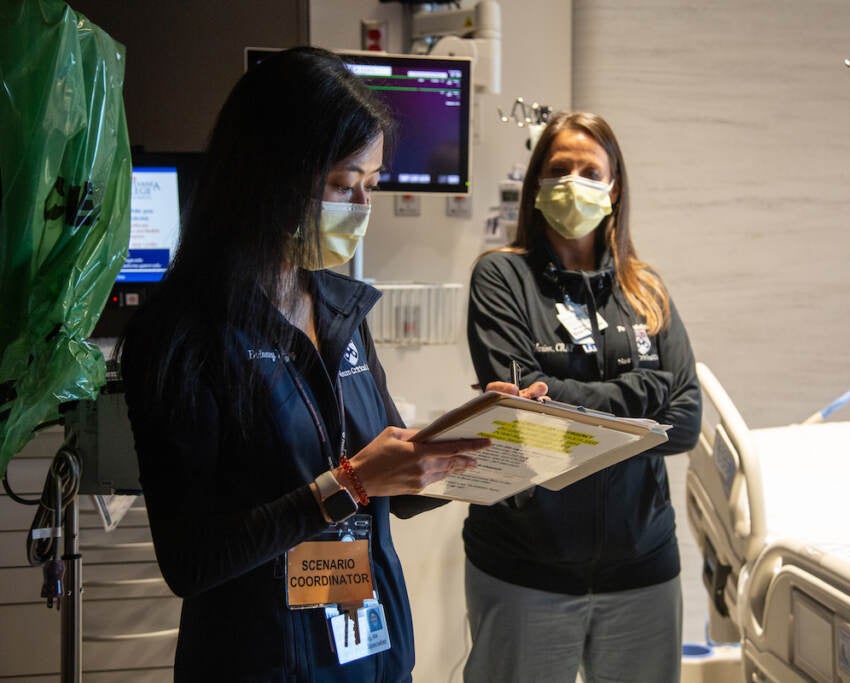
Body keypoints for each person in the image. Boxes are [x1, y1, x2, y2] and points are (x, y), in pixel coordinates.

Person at [119, 47, 502, 682]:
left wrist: (493, 441)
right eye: (343, 184)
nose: (360, 206)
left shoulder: (340, 312)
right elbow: (190, 560)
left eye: (371, 186)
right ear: (274, 173)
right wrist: (345, 485)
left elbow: (394, 493)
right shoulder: (183, 336)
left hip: (368, 655)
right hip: (261, 661)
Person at [462, 111, 702, 683]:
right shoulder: (502, 278)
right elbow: (521, 415)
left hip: (642, 566)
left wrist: (565, 406)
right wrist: (645, 393)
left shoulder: (645, 289)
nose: (574, 181)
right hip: (525, 565)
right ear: (536, 185)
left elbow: (688, 420)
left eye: (589, 170)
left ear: (614, 186)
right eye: (559, 168)